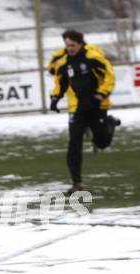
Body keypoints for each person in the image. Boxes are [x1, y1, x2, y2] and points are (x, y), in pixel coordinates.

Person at [49, 30, 121, 194]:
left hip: (97, 106)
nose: (70, 49)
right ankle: (77, 184)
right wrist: (55, 99)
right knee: (74, 144)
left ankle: (110, 122)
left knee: (102, 142)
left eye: (73, 45)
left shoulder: (92, 57)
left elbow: (110, 76)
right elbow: (61, 83)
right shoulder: (65, 62)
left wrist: (102, 93)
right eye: (67, 46)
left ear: (80, 43)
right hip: (77, 109)